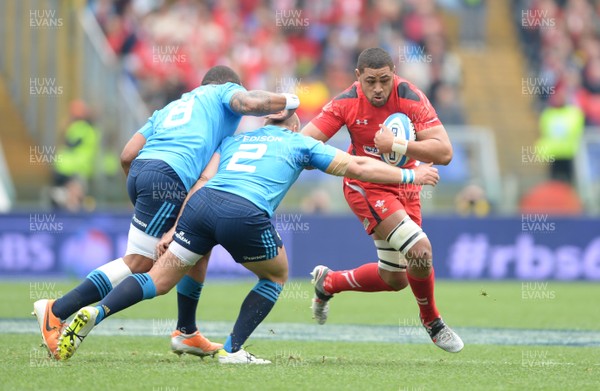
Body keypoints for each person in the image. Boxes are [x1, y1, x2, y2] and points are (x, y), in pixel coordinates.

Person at [55, 112, 441, 363]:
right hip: (244, 210)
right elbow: (356, 165)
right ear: (292, 125)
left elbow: (204, 179)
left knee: (157, 280)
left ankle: (97, 311)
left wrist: (174, 228)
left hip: (202, 204)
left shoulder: (237, 140)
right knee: (275, 275)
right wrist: (412, 176)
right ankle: (232, 350)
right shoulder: (298, 141)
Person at [32, 65, 300, 360]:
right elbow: (249, 103)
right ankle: (57, 310)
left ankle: (187, 332)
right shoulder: (223, 91)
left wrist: (141, 191)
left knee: (197, 243)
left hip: (143, 171)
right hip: (170, 177)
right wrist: (290, 101)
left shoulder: (174, 106)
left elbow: (127, 155)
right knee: (142, 263)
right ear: (226, 86)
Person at [301, 47, 463, 353]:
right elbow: (305, 142)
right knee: (420, 249)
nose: (378, 89)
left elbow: (444, 153)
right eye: (371, 81)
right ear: (358, 77)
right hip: (366, 186)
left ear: (394, 75)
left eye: (385, 80)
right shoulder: (346, 102)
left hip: (406, 186)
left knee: (396, 278)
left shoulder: (410, 96)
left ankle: (329, 283)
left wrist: (398, 144)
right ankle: (432, 321)